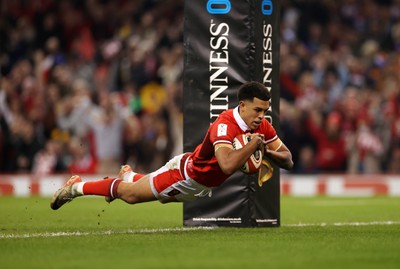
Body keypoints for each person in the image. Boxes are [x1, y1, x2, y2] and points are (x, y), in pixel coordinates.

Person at [50, 81, 293, 210]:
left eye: (265, 111)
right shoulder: (225, 124)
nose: (262, 116)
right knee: (131, 196)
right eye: (257, 110)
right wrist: (253, 147)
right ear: (242, 106)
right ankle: (76, 188)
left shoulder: (261, 128)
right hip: (185, 175)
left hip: (200, 185)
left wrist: (265, 149)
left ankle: (130, 175)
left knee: (157, 196)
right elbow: (227, 164)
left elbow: (288, 160)